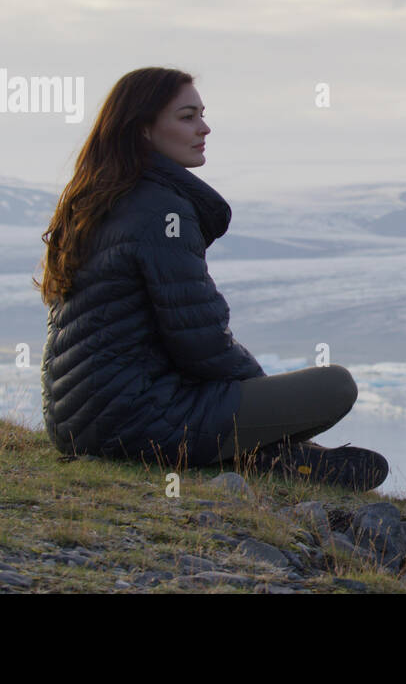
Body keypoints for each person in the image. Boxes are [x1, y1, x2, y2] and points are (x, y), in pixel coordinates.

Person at [35, 66, 387, 491]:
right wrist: (262, 397)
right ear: (143, 130)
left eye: (201, 115)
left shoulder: (101, 198)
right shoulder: (161, 212)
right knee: (335, 386)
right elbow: (200, 340)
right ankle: (270, 455)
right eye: (187, 117)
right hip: (133, 423)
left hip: (77, 425)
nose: (204, 128)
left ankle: (273, 457)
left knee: (271, 404)